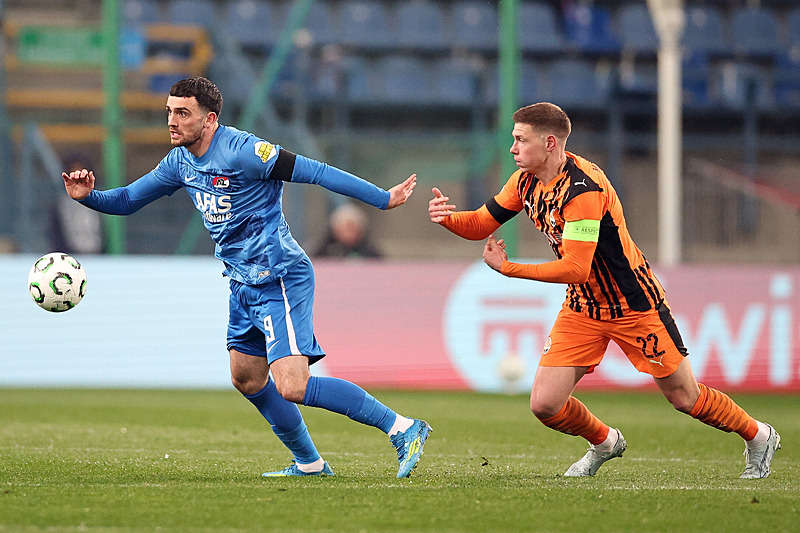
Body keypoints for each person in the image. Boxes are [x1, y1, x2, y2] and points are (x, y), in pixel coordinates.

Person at [62, 76, 431, 478]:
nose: (172, 121)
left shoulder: (244, 151)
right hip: (242, 281)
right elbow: (128, 199)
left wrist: (382, 198)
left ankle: (402, 427)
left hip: (279, 276)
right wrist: (89, 197)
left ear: (210, 119)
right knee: (247, 377)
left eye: (183, 113)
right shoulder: (179, 162)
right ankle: (309, 463)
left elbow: (316, 171)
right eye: (169, 112)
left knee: (292, 385)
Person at [428, 102, 780, 479]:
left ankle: (759, 436)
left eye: (520, 140)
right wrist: (448, 219)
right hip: (583, 307)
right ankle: (605, 442)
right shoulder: (524, 182)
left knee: (684, 397)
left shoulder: (583, 190)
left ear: (549, 143)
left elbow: (575, 268)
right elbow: (481, 223)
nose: (512, 148)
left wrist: (509, 268)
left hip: (634, 305)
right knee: (545, 404)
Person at [309, 202, 383, 258]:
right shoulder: (323, 249)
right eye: (346, 228)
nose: (350, 233)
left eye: (353, 228)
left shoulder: (369, 250)